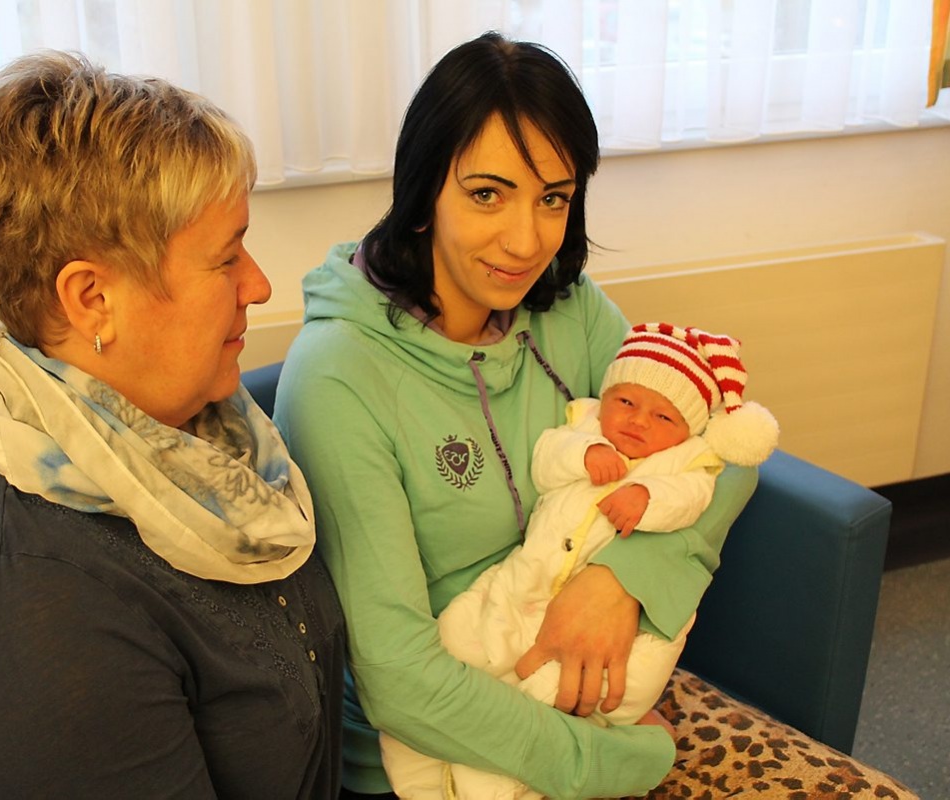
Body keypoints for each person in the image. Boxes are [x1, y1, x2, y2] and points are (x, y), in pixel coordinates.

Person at [273, 31, 761, 799]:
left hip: (585, 704)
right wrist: (621, 764)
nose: (526, 240)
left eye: (554, 199)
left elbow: (723, 453)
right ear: (424, 187)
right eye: (486, 194)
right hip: (430, 760)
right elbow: (399, 678)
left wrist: (622, 579)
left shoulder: (572, 313)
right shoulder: (338, 377)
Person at [0, 52, 344, 798]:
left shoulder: (201, 430)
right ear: (92, 300)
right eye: (224, 260)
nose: (258, 284)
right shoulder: (36, 618)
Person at [379, 322, 780, 799]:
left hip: (616, 627)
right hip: (525, 580)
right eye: (626, 402)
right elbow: (546, 460)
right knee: (460, 639)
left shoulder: (684, 462)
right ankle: (424, 779)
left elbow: (694, 498)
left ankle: (496, 782)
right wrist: (584, 454)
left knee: (561, 690)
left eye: (663, 418)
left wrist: (646, 498)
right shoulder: (584, 426)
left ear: (686, 430)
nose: (637, 422)